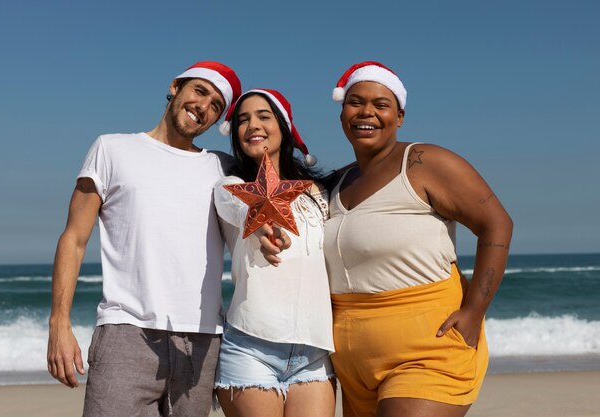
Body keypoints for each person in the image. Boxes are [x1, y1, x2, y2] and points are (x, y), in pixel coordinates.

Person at [46, 61, 257, 417]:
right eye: (199, 91)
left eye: (216, 106)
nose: (203, 107)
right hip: (126, 335)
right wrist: (58, 324)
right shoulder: (111, 149)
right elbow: (74, 238)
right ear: (176, 87)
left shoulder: (224, 168)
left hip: (203, 341)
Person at [323, 62, 513, 417]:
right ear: (342, 114)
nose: (367, 112)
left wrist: (474, 311)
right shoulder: (335, 182)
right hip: (351, 369)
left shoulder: (425, 163)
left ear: (400, 116)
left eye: (381, 104)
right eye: (355, 102)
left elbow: (496, 224)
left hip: (427, 353)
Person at [213, 89, 336, 417]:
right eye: (242, 119)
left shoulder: (320, 192)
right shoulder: (230, 187)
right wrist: (264, 223)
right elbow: (239, 207)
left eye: (263, 116)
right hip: (250, 348)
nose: (252, 124)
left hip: (314, 353)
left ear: (283, 127)